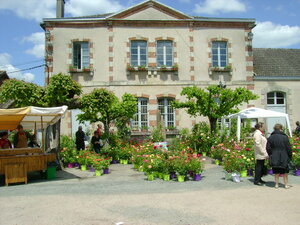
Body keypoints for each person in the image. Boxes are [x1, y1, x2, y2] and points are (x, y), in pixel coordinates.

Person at [267, 124, 292, 189]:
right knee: (285, 171)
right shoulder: (285, 137)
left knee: (276, 170)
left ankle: (276, 184)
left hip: (274, 154)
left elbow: (268, 148)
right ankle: (286, 184)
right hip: (284, 154)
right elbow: (288, 148)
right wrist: (290, 155)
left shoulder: (270, 137)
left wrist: (271, 154)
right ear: (281, 129)